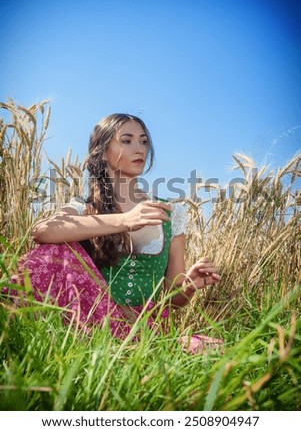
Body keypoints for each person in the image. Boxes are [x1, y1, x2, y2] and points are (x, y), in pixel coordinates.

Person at [10, 113, 223, 352]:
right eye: (127, 140)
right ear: (102, 151)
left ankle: (141, 348)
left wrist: (190, 285)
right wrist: (125, 220)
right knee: (54, 248)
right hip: (91, 322)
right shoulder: (84, 206)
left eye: (144, 141)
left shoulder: (172, 213)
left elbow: (173, 301)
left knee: (214, 352)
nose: (139, 148)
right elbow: (43, 232)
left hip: (145, 329)